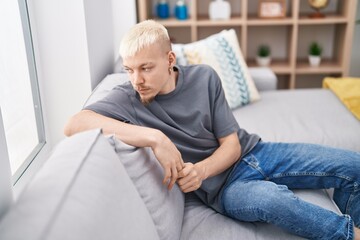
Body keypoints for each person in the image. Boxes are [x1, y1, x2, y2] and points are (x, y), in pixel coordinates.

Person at [64, 20, 360, 239]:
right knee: (273, 200)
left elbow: (231, 145)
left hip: (257, 152)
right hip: (226, 190)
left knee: (353, 165)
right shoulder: (127, 98)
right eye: (129, 70)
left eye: (145, 68)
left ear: (169, 60)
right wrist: (155, 137)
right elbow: (74, 124)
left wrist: (201, 170)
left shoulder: (204, 78)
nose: (136, 79)